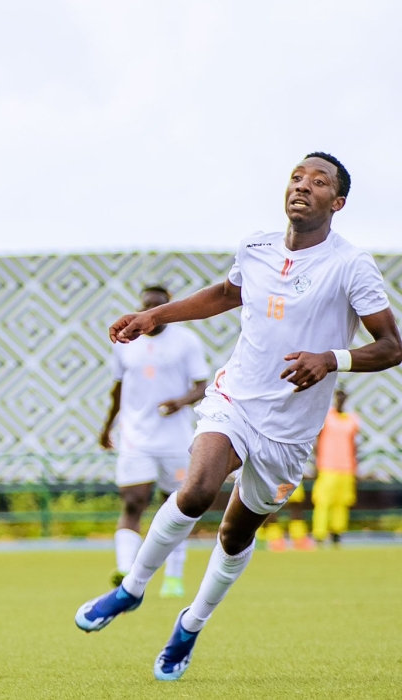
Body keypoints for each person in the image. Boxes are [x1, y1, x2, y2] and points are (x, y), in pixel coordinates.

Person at [73, 153, 401, 681]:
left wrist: (330, 359)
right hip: (235, 400)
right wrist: (155, 315)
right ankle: (131, 588)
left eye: (319, 182)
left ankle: (190, 624)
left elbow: (391, 346)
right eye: (297, 177)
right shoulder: (256, 248)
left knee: (233, 535)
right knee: (196, 491)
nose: (303, 186)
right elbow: (226, 294)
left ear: (337, 203)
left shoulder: (351, 265)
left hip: (290, 432)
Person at [99, 285, 209, 598]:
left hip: (175, 440)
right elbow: (118, 389)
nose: (152, 313)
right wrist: (107, 427)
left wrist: (180, 402)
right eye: (147, 306)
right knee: (133, 500)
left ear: (167, 307)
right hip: (135, 437)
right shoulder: (125, 342)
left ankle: (173, 576)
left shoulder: (186, 341)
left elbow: (202, 386)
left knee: (175, 508)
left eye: (157, 307)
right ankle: (125, 571)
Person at [312, 388, 359, 545]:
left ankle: (337, 532)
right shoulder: (327, 416)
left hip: (347, 467)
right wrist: (316, 462)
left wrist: (355, 466)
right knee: (323, 500)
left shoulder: (352, 419)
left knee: (342, 501)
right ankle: (319, 533)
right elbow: (318, 440)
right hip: (327, 466)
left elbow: (354, 444)